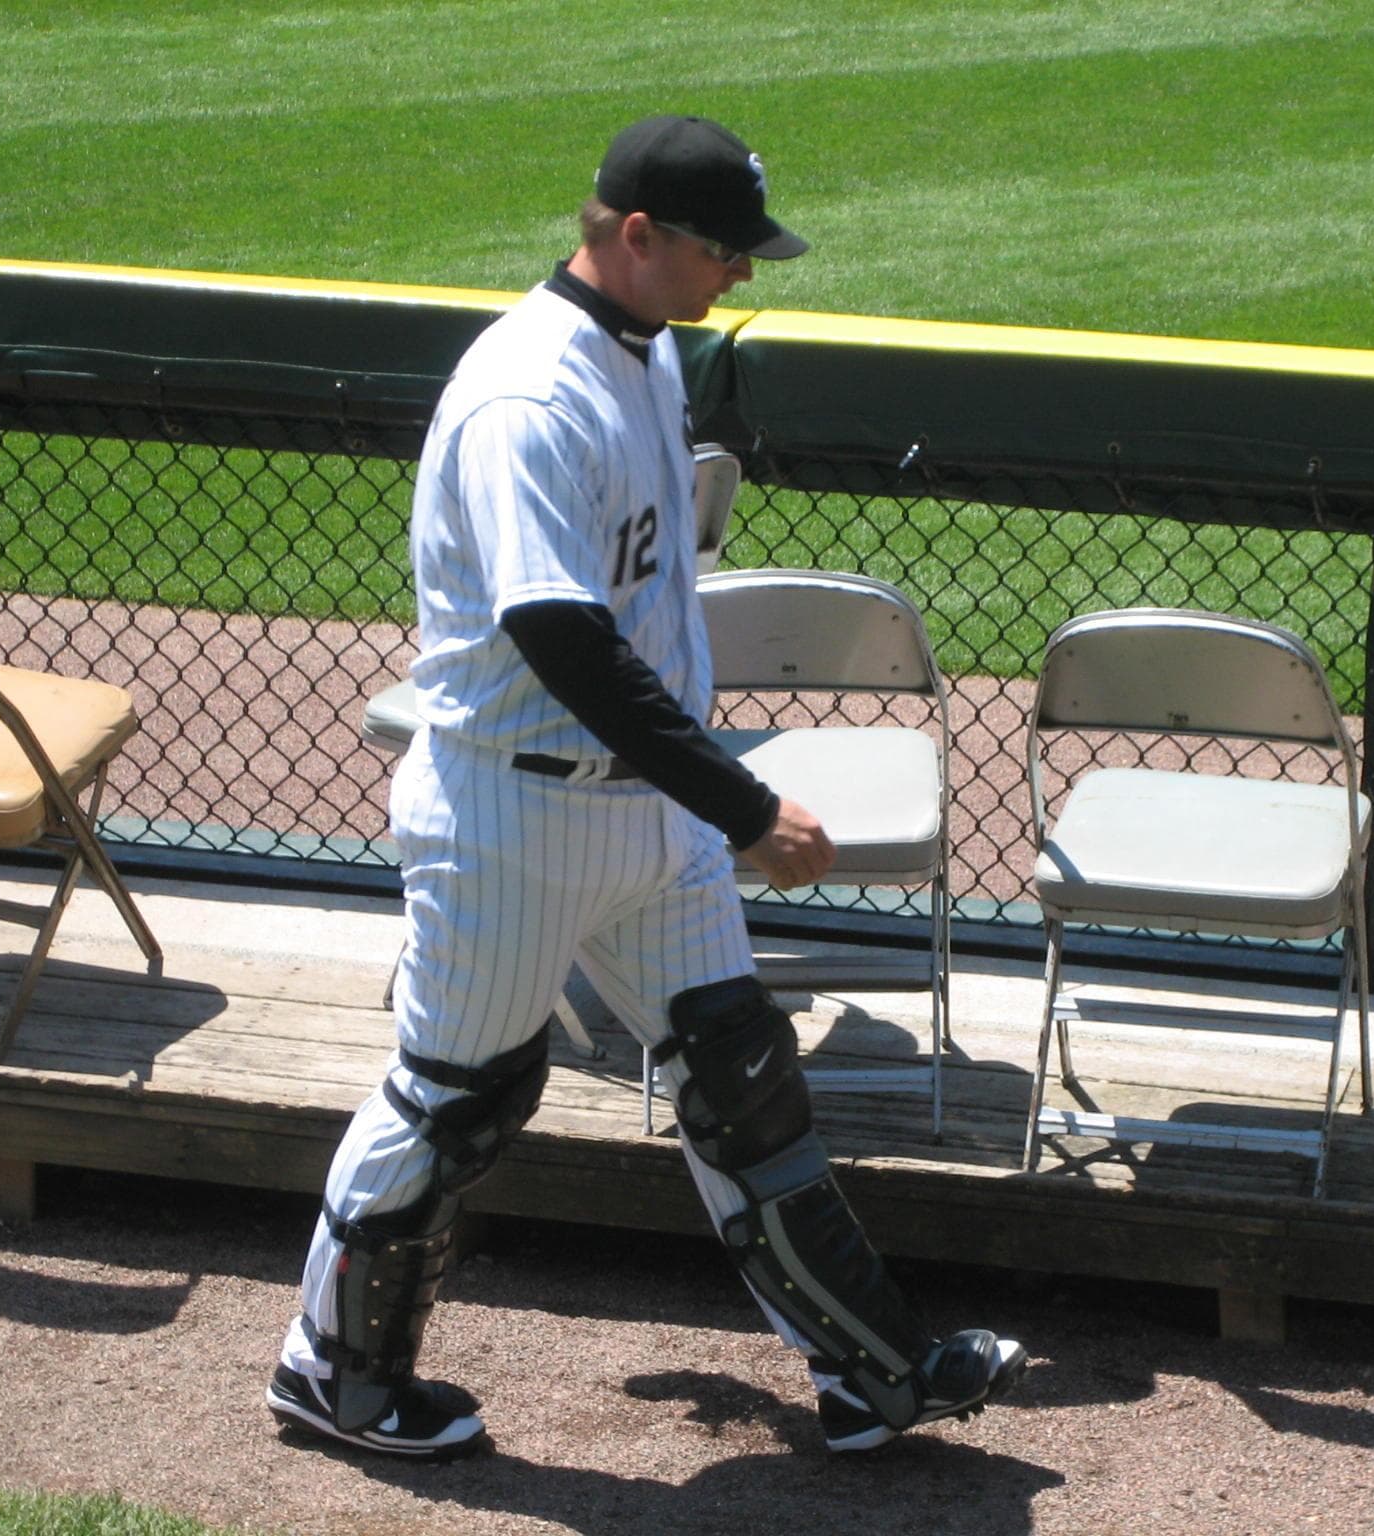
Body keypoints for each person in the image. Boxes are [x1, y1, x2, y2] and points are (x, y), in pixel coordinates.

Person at [266, 113, 1026, 1462]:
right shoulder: (526, 399)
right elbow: (560, 639)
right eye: (723, 251)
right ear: (634, 236)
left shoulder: (650, 349)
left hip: (648, 812)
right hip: (517, 813)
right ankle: (334, 1373)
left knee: (743, 1075)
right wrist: (746, 807)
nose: (743, 272)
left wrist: (701, 799)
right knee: (454, 1100)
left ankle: (872, 1373)